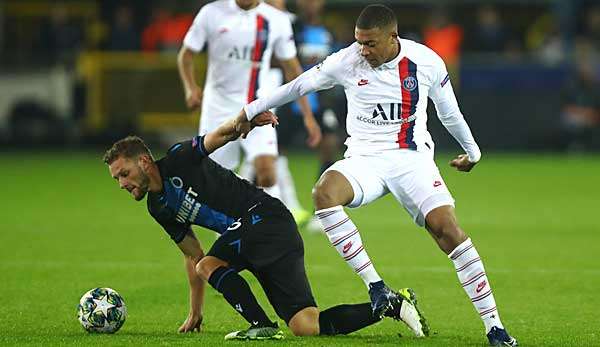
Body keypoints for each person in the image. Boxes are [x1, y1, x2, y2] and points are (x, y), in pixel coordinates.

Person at [238, 4, 517, 346]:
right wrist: (250, 111)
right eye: (359, 42)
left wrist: (473, 152)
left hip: (411, 160)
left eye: (370, 43)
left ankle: (495, 328)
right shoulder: (347, 60)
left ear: (392, 37)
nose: (363, 50)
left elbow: (450, 113)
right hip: (365, 160)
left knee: (448, 231)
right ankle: (377, 288)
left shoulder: (426, 62)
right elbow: (299, 85)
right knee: (323, 193)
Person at [103, 112, 426, 339]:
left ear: (144, 162)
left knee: (211, 263)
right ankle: (391, 305)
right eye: (117, 179)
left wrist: (247, 121)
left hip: (265, 218)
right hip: (253, 237)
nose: (121, 184)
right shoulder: (157, 207)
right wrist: (196, 310)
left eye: (124, 174)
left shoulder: (178, 159)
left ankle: (261, 325)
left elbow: (217, 137)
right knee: (306, 325)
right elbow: (194, 256)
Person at [177, 0, 321, 206]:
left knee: (267, 172)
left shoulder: (276, 20)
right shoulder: (212, 13)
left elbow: (293, 70)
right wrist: (190, 88)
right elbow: (186, 55)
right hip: (218, 107)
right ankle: (228, 231)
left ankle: (273, 228)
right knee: (216, 180)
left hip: (256, 108)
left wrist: (308, 115)